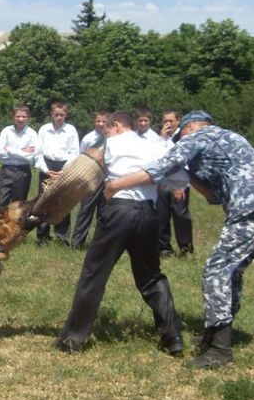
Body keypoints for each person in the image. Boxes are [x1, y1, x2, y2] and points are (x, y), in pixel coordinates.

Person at [104, 110, 254, 369]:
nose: (181, 141)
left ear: (189, 128)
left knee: (217, 270)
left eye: (181, 136)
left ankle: (221, 350)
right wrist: (188, 174)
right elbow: (213, 196)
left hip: (250, 206)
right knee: (232, 271)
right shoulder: (232, 138)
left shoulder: (199, 136)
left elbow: (160, 167)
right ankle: (215, 332)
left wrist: (116, 185)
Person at [54, 111, 185, 356]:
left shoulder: (110, 142)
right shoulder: (155, 145)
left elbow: (84, 167)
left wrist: (60, 182)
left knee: (94, 273)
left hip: (119, 211)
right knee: (151, 276)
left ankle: (73, 339)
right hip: (148, 213)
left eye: (108, 128)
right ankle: (173, 336)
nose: (106, 132)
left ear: (116, 125)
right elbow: (179, 179)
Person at [35, 102, 79, 245]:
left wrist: (63, 172)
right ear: (51, 114)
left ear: (66, 115)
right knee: (44, 202)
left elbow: (74, 152)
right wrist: (45, 169)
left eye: (62, 115)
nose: (59, 117)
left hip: (64, 167)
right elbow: (38, 152)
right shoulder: (44, 129)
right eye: (56, 114)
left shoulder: (71, 130)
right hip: (47, 166)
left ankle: (62, 236)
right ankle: (42, 236)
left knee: (63, 202)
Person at [156, 109, 194, 258]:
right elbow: (157, 158)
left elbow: (183, 162)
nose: (168, 124)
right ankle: (164, 249)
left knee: (181, 216)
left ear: (178, 121)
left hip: (180, 183)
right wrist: (162, 139)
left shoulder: (183, 137)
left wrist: (178, 185)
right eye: (165, 121)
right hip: (163, 183)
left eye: (171, 121)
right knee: (161, 216)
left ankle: (186, 248)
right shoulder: (160, 139)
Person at [70, 110, 108, 250]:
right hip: (91, 178)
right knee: (85, 210)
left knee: (103, 213)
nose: (101, 124)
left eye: (104, 121)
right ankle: (77, 243)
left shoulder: (112, 138)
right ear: (94, 121)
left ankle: (100, 243)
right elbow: (81, 157)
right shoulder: (88, 138)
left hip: (106, 179)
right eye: (98, 121)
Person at [0, 104, 39, 207]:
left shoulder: (32, 134)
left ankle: (15, 224)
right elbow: (0, 154)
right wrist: (22, 151)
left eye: (24, 117)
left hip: (23, 171)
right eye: (18, 116)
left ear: (28, 117)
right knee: (2, 202)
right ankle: (0, 223)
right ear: (13, 117)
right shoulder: (6, 131)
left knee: (19, 205)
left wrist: (10, 150)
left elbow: (30, 157)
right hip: (6, 170)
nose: (21, 119)